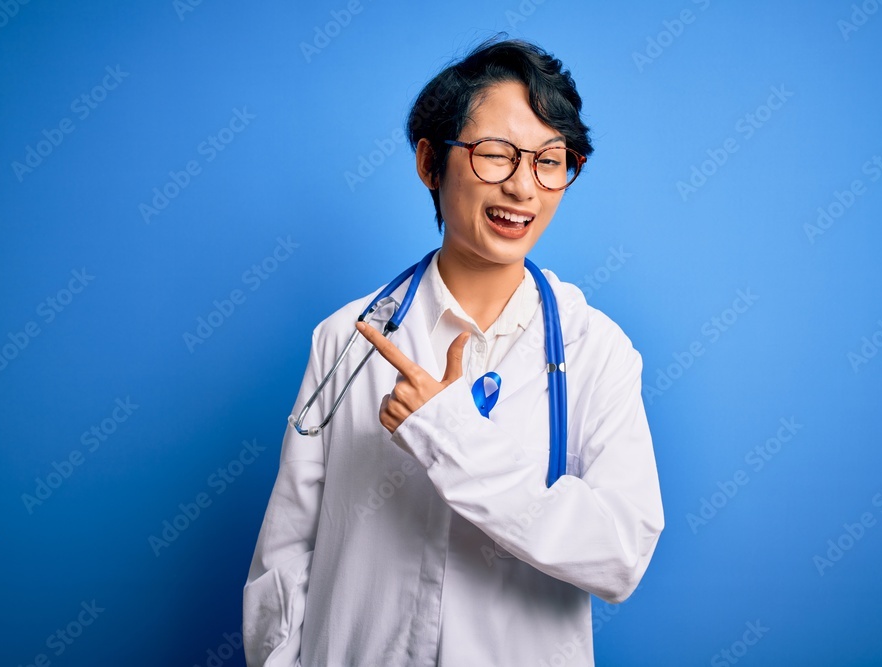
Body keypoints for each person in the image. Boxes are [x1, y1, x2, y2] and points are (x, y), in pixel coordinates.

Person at [243, 38, 664, 667]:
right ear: (429, 162)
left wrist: (450, 435)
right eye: (497, 155)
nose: (525, 187)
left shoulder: (594, 349)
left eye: (551, 160)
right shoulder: (349, 339)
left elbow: (620, 553)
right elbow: (285, 556)